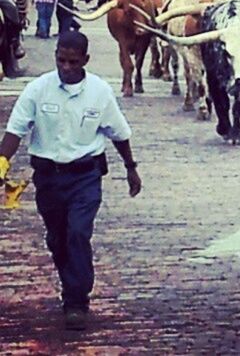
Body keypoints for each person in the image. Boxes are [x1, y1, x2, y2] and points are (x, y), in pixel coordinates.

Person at [0, 31, 141, 330]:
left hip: (85, 177)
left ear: (85, 61)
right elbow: (15, 130)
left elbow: (119, 133)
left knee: (78, 233)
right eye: (60, 60)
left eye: (72, 62)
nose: (65, 67)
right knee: (57, 238)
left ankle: (76, 301)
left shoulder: (100, 92)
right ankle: (71, 282)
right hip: (48, 178)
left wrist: (131, 168)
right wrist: (1, 164)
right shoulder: (38, 89)